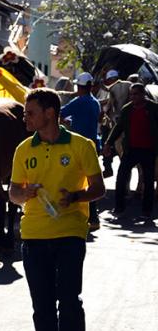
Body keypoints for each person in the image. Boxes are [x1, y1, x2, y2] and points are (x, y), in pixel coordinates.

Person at [9, 88, 104, 331]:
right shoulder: (24, 149)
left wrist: (75, 196)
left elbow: (98, 189)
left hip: (70, 233)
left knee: (69, 300)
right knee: (42, 304)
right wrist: (24, 193)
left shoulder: (81, 145)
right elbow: (13, 192)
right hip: (33, 234)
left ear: (50, 113)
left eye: (31, 113)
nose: (25, 118)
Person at [104, 82, 158, 218]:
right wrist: (108, 143)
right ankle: (119, 208)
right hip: (131, 150)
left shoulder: (154, 108)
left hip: (149, 150)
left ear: (143, 94)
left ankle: (146, 211)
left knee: (148, 181)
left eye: (136, 94)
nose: (133, 97)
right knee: (121, 178)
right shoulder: (127, 109)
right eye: (131, 94)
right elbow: (118, 127)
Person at [61, 72, 102, 230]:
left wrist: (65, 121)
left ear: (79, 87)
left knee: (77, 180)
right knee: (92, 182)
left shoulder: (78, 102)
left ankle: (82, 216)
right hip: (93, 145)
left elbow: (60, 112)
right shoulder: (95, 102)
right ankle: (94, 218)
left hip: (78, 147)